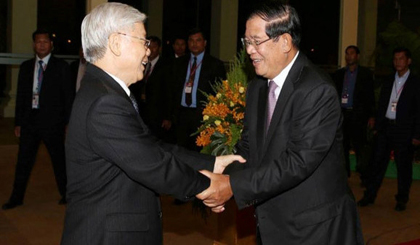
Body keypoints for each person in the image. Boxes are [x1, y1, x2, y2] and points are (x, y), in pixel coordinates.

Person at [60, 3, 242, 245]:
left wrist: (212, 162)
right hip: (108, 235)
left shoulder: (105, 90)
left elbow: (150, 147)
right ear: (116, 43)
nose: (148, 51)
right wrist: (208, 186)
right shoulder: (105, 102)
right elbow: (154, 165)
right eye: (143, 42)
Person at [197, 3, 364, 244]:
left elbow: (297, 162)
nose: (250, 51)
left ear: (285, 42)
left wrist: (232, 186)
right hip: (272, 222)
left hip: (315, 228)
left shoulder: (316, 90)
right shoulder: (256, 87)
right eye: (246, 42)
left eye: (256, 41)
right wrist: (222, 180)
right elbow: (248, 149)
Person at [2, 29, 75, 210]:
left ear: (51, 44)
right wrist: (18, 122)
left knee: (59, 161)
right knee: (23, 162)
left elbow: (68, 97)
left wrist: (68, 122)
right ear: (34, 45)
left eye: (45, 42)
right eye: (38, 42)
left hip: (53, 123)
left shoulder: (61, 67)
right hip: (30, 121)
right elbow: (21, 97)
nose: (41, 44)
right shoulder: (26, 67)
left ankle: (67, 195)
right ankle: (16, 198)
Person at [358, 47, 420, 211]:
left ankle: (402, 199)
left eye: (401, 58)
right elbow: (381, 104)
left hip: (404, 131)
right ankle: (369, 195)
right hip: (385, 128)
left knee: (403, 167)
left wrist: (416, 134)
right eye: (395, 59)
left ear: (409, 61)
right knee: (377, 164)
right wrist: (378, 126)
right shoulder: (388, 80)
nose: (398, 62)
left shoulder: (416, 83)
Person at [170, 28, 226, 151]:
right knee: (181, 151)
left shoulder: (215, 65)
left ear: (205, 43)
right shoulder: (178, 63)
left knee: (200, 152)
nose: (194, 44)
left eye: (198, 40)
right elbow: (172, 90)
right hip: (182, 114)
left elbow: (220, 92)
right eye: (191, 40)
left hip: (202, 115)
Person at [332, 45, 375, 179]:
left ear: (357, 56)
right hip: (343, 115)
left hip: (358, 115)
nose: (348, 56)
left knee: (359, 146)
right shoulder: (339, 75)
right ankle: (345, 174)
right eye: (347, 54)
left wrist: (372, 116)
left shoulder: (365, 74)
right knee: (342, 146)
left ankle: (364, 175)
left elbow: (370, 96)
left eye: (351, 53)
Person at [130, 36, 168, 139]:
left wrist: (168, 117)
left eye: (154, 47)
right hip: (141, 109)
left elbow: (169, 92)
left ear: (159, 48)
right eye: (148, 46)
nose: (150, 50)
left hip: (157, 111)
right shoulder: (140, 63)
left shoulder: (166, 66)